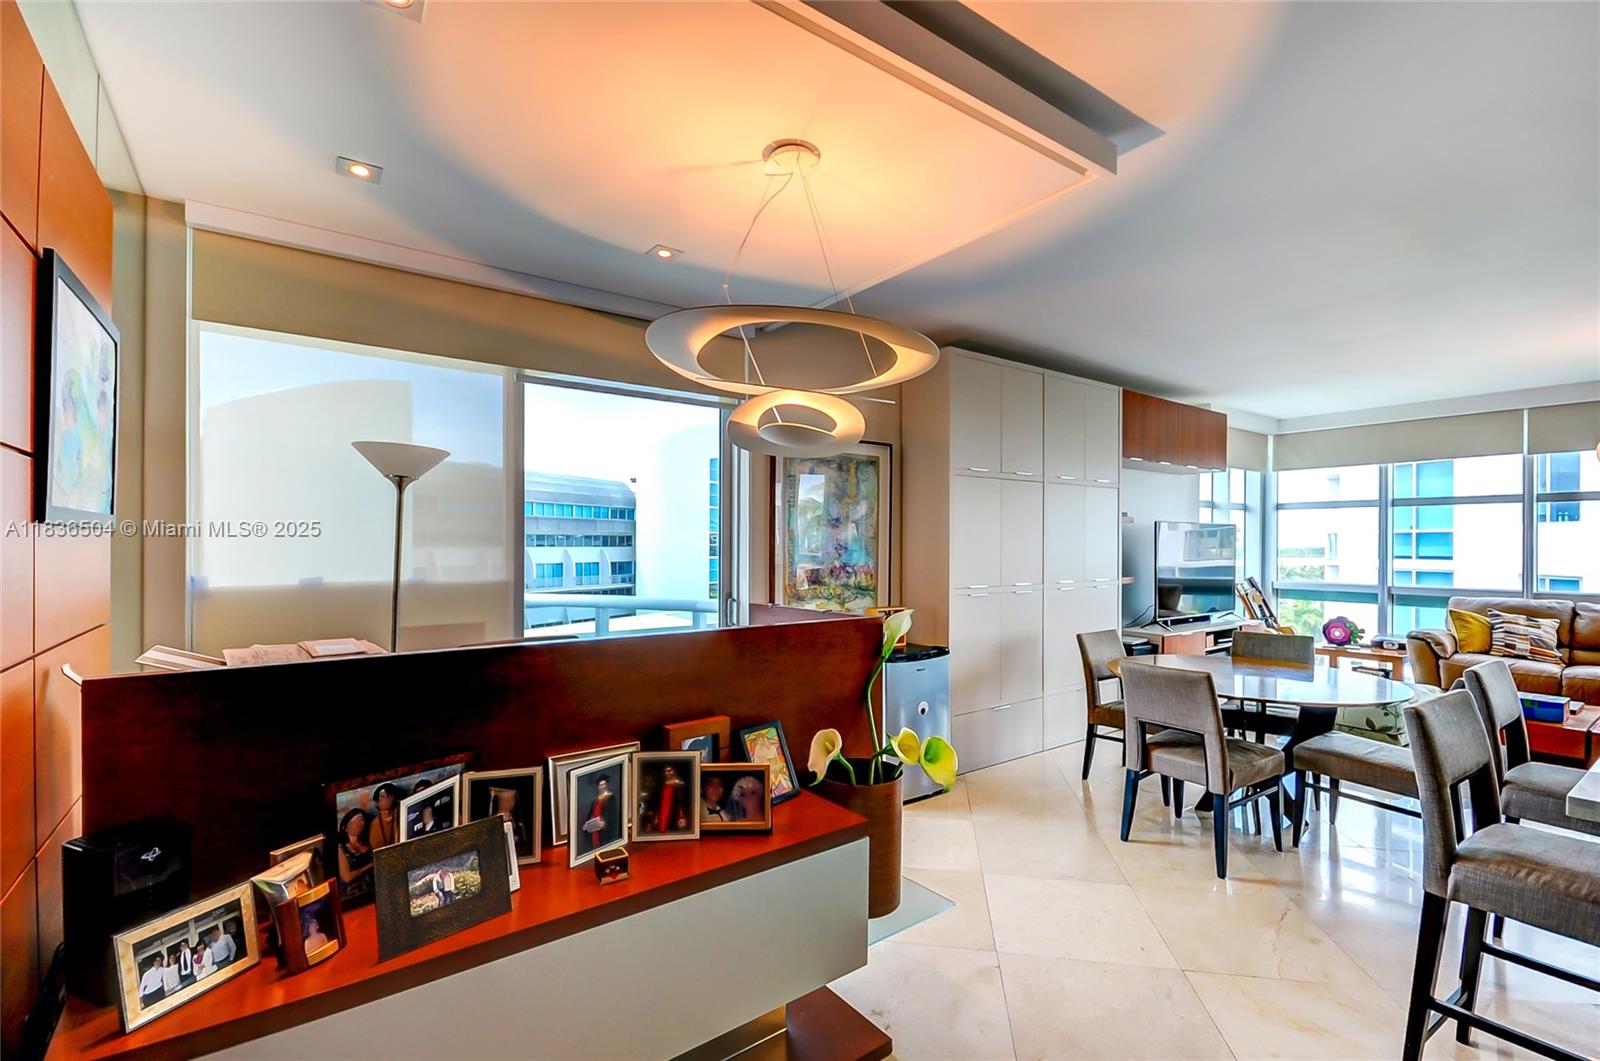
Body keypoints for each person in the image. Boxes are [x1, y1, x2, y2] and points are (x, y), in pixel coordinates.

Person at [337, 808, 374, 899]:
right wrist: (371, 865)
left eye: (361, 821)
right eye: (355, 822)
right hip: (354, 893)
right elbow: (347, 877)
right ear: (345, 827)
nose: (359, 824)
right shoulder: (341, 848)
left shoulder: (368, 841)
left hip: (373, 887)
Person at [581, 775, 616, 851]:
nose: (602, 786)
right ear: (598, 787)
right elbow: (591, 814)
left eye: (603, 784)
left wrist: (605, 822)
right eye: (600, 785)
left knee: (602, 846)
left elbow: (613, 814)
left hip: (603, 829)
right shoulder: (596, 800)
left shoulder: (611, 797)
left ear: (606, 785)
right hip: (594, 827)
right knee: (594, 845)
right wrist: (586, 824)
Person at [651, 764, 688, 834]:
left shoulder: (679, 785)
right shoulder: (661, 787)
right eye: (666, 771)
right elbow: (657, 803)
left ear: (674, 771)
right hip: (662, 814)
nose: (668, 773)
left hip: (674, 815)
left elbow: (681, 803)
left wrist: (681, 815)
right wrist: (656, 816)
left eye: (670, 771)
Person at [369, 783, 401, 848]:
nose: (386, 799)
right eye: (383, 796)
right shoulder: (375, 823)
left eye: (389, 796)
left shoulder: (401, 814)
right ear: (377, 802)